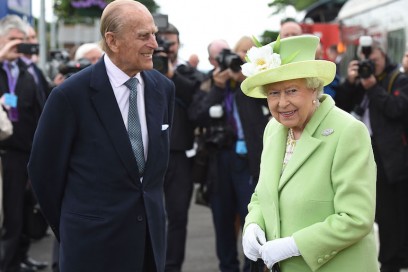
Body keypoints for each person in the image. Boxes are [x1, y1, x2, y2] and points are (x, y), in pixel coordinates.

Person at [27, 1, 175, 272]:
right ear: (113, 40)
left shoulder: (163, 89)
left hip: (149, 247)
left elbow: (153, 174)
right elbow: (43, 172)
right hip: (91, 249)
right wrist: (74, 229)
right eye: (144, 35)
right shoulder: (70, 95)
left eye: (154, 34)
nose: (155, 44)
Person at [241, 34, 379, 272]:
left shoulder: (347, 131)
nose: (282, 103)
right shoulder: (274, 129)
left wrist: (295, 245)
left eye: (292, 90)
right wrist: (253, 223)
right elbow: (262, 195)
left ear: (314, 89)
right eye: (273, 93)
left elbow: (356, 218)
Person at [189, 37, 269, 272]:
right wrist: (218, 87)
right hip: (219, 160)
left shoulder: (254, 86)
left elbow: (259, 113)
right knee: (223, 222)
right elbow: (197, 115)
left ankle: (251, 268)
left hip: (248, 160)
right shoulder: (209, 82)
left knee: (252, 219)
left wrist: (243, 81)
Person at [336, 38, 408, 272]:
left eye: (374, 61)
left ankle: (399, 259)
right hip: (370, 156)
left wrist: (372, 87)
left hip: (396, 158)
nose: (370, 66)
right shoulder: (358, 83)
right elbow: (339, 108)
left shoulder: (398, 79)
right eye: (366, 61)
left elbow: (396, 109)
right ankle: (389, 261)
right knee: (383, 214)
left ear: (384, 57)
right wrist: (350, 82)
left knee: (401, 213)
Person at [0, 14, 48, 272]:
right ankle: (7, 263)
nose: (17, 46)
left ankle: (20, 256)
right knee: (11, 213)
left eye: (22, 40)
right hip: (6, 153)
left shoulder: (26, 71)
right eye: (12, 40)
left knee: (25, 209)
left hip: (27, 151)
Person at [155, 23, 202, 272]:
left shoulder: (187, 72)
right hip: (148, 154)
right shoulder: (142, 71)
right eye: (160, 41)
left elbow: (197, 98)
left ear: (179, 44)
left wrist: (172, 74)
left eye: (170, 43)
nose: (165, 48)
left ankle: (172, 267)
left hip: (179, 155)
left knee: (177, 217)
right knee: (147, 216)